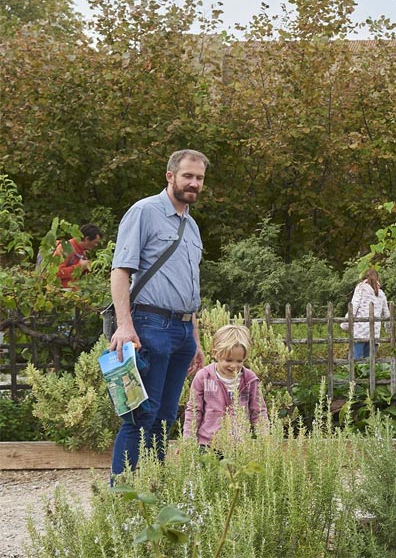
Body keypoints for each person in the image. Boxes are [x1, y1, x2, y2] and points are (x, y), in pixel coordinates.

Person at [108, 149, 208, 476]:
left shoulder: (191, 226)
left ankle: (154, 490)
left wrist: (194, 338)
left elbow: (188, 283)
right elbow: (120, 271)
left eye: (199, 178)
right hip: (149, 326)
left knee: (165, 420)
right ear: (170, 176)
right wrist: (125, 326)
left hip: (181, 333)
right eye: (187, 176)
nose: (193, 183)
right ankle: (123, 498)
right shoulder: (144, 212)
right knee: (140, 417)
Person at [183, 325, 268, 447]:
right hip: (208, 444)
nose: (234, 366)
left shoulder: (249, 379)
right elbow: (194, 410)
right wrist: (188, 439)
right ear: (215, 354)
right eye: (228, 360)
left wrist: (264, 437)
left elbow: (258, 411)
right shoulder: (204, 377)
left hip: (239, 445)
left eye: (239, 361)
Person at [348, 268, 390, 359]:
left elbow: (353, 306)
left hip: (359, 332)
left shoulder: (360, 289)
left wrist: (345, 323)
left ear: (364, 278)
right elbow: (387, 314)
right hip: (374, 333)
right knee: (370, 363)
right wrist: (389, 329)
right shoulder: (381, 294)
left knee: (355, 362)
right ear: (378, 279)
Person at [55, 223, 103, 288]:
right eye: (95, 242)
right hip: (58, 293)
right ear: (87, 238)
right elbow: (56, 273)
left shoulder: (82, 251)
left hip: (72, 294)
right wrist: (80, 267)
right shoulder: (66, 248)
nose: (96, 245)